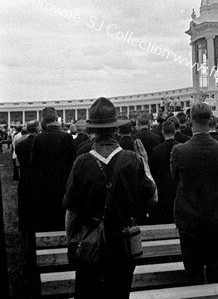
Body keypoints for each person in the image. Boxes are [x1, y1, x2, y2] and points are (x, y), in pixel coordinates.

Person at [63, 97, 157, 299]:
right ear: (115, 130)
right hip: (123, 245)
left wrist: (72, 243)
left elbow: (71, 212)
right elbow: (153, 198)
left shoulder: (81, 162)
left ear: (92, 132)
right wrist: (146, 165)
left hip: (90, 245)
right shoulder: (133, 160)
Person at [170, 103, 218, 285]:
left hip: (189, 218)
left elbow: (175, 178)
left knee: (193, 272)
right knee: (217, 271)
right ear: (211, 120)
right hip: (217, 216)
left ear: (189, 121)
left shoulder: (179, 150)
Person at [30, 107, 76, 231]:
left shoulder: (38, 139)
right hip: (63, 182)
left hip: (44, 184)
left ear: (44, 120)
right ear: (56, 119)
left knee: (47, 216)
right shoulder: (67, 138)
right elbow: (73, 161)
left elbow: (33, 164)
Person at [150, 120, 178, 224]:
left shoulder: (157, 150)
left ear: (162, 132)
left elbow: (154, 170)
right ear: (174, 131)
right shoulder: (180, 147)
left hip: (163, 185)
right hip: (177, 184)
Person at [15, 120, 40, 231]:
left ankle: (25, 225)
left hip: (24, 176)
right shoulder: (39, 143)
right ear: (36, 128)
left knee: (25, 203)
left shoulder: (20, 144)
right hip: (36, 175)